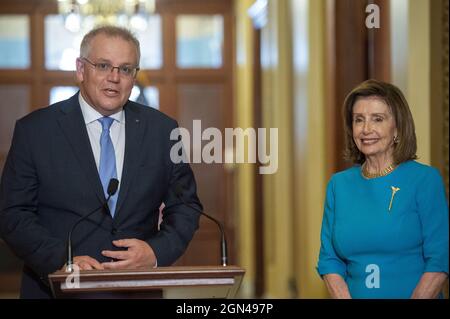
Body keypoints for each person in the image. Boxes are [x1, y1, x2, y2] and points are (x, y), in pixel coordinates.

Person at [0, 25, 202, 298]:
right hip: (57, 290)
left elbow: (186, 207)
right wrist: (62, 260)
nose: (114, 78)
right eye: (104, 65)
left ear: (134, 77)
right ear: (81, 69)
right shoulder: (35, 131)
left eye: (126, 69)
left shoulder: (162, 131)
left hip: (136, 291)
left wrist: (156, 252)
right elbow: (12, 213)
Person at [317, 79, 449, 299]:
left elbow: (440, 257)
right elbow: (329, 259)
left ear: (397, 127)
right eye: (359, 120)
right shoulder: (338, 185)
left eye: (377, 119)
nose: (366, 129)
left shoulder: (425, 180)